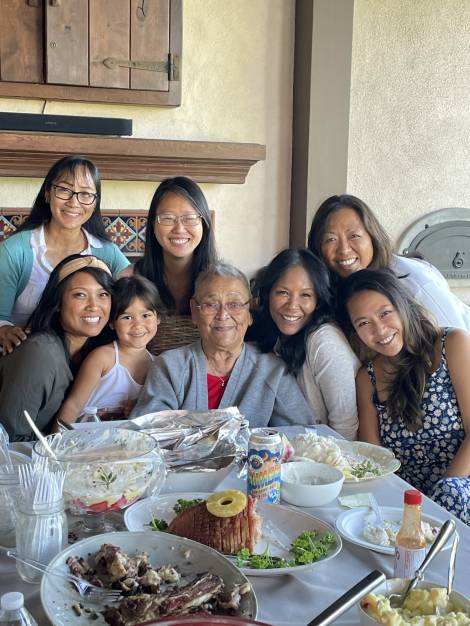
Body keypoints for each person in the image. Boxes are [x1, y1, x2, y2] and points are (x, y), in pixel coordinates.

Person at [340, 268, 470, 523]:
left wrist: (438, 499)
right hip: (405, 500)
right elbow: (373, 459)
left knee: (450, 493)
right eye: (364, 323)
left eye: (385, 313)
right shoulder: (367, 379)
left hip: (461, 484)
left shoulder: (452, 344)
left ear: (402, 306)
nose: (379, 330)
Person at [131, 262, 315, 427]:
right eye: (211, 305)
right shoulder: (170, 366)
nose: (223, 315)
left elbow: (302, 435)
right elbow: (144, 435)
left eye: (234, 304)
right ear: (194, 312)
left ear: (250, 312)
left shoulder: (272, 370)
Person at [0, 155, 129, 355]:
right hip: (29, 356)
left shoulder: (106, 252)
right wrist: (5, 330)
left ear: (95, 202)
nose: (74, 202)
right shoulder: (16, 250)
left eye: (85, 194)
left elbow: (136, 295)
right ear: (48, 193)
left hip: (87, 359)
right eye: (64, 190)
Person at [308, 194, 470, 331]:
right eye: (331, 239)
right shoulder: (333, 286)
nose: (344, 249)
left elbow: (459, 340)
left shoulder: (415, 283)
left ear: (373, 237)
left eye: (354, 236)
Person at [0, 254, 114, 441]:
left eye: (103, 295)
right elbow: (9, 441)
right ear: (58, 303)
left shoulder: (97, 352)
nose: (94, 306)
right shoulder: (40, 352)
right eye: (80, 295)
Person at [250, 248, 359, 440]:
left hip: (331, 452)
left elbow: (346, 430)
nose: (292, 305)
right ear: (268, 294)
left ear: (318, 300)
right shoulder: (272, 336)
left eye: (306, 295)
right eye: (283, 293)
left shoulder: (324, 342)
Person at [56, 275, 161, 426]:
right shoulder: (103, 357)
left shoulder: (158, 365)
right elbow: (74, 404)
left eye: (146, 315)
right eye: (127, 317)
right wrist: (57, 437)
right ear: (112, 323)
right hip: (86, 434)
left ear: (158, 318)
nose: (138, 325)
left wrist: (139, 407)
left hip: (127, 438)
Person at [132, 176, 217, 354]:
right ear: (153, 224)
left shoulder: (220, 282)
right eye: (168, 218)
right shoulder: (131, 279)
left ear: (204, 223)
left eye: (190, 218)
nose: (179, 229)